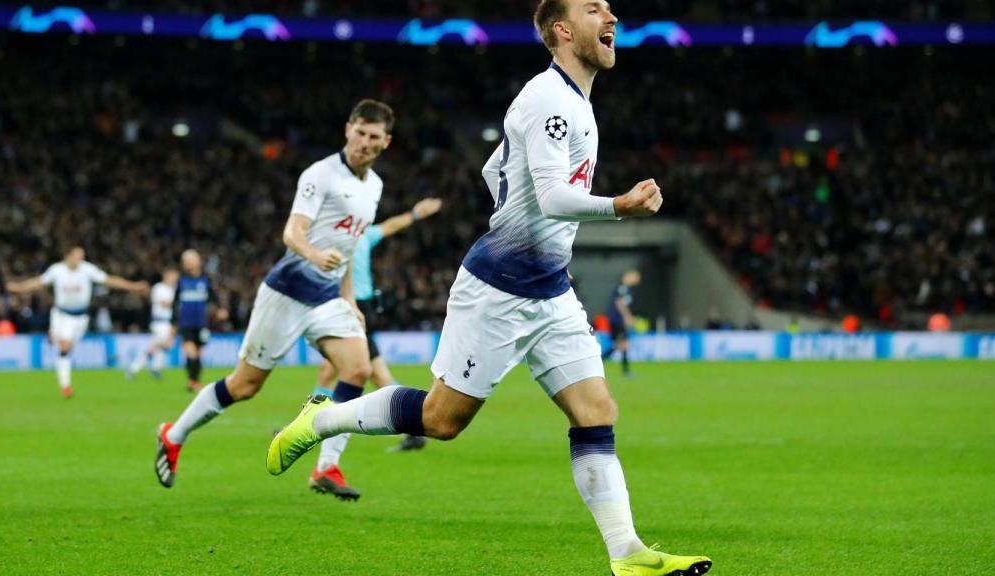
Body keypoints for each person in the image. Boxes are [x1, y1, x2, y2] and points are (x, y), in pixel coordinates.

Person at [266, 3, 712, 574]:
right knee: (441, 419)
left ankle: (627, 554)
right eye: (593, 7)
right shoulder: (550, 100)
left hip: (549, 288)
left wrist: (531, 225)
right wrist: (618, 206)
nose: (612, 15)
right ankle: (321, 420)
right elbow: (551, 198)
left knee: (596, 409)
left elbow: (494, 169)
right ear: (561, 30)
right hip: (498, 288)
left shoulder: (571, 101)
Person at [153, 99, 395, 489]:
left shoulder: (375, 187)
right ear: (348, 129)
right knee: (244, 386)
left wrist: (349, 301)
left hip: (329, 298)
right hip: (286, 293)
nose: (365, 142)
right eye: (361, 132)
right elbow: (291, 232)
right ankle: (173, 435)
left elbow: (349, 247)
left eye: (374, 137)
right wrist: (315, 254)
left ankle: (326, 468)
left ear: (386, 142)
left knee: (358, 370)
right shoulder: (321, 174)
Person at [311, 197, 443, 499]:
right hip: (358, 307)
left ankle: (414, 424)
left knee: (376, 375)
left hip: (354, 309)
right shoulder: (362, 234)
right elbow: (389, 226)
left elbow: (390, 225)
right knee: (333, 370)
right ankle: (308, 424)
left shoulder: (345, 236)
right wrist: (413, 212)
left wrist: (413, 213)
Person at [6, 246, 148, 398]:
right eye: (77, 256)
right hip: (61, 314)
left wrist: (132, 286)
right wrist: (19, 287)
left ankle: (54, 337)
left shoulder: (87, 269)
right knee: (65, 347)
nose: (80, 259)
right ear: (68, 256)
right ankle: (65, 386)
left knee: (66, 348)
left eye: (82, 256)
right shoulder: (57, 270)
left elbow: (109, 280)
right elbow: (39, 282)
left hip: (80, 317)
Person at [172, 250, 226, 393]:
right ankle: (193, 382)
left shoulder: (206, 280)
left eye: (190, 260)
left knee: (199, 353)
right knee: (191, 353)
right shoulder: (181, 281)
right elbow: (175, 303)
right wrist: (173, 323)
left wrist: (221, 309)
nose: (188, 263)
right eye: (185, 260)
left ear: (198, 261)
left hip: (202, 323)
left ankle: (194, 381)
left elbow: (214, 296)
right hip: (185, 323)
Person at [127, 268, 179, 380]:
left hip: (168, 322)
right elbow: (164, 303)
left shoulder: (174, 289)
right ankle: (135, 367)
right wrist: (178, 303)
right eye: (173, 276)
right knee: (158, 345)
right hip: (159, 321)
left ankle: (154, 367)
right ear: (166, 275)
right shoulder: (158, 288)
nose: (175, 278)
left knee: (165, 345)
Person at [603, 269, 640, 378]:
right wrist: (627, 317)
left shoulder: (627, 290)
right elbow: (619, 303)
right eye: (635, 276)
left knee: (622, 344)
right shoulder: (622, 288)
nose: (637, 279)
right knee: (622, 344)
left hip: (619, 320)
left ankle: (625, 370)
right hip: (617, 320)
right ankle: (624, 370)